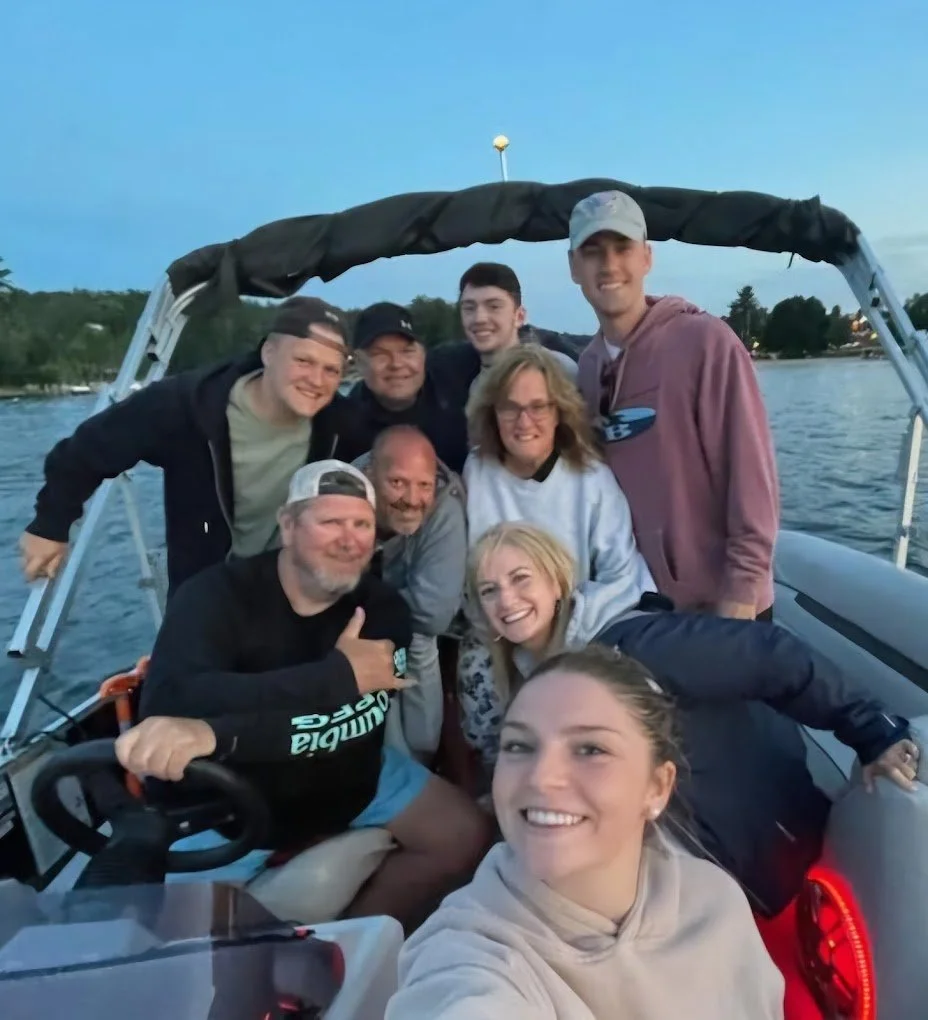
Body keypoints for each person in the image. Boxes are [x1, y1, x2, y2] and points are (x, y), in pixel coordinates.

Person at [467, 520, 919, 916]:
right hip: (679, 866)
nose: (508, 599)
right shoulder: (533, 683)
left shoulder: (637, 645)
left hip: (757, 853)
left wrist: (870, 728)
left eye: (521, 579)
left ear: (558, 581)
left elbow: (771, 656)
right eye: (490, 590)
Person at [116, 459, 492, 933]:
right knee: (195, 963)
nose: (348, 538)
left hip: (351, 777)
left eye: (360, 524)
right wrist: (333, 679)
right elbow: (170, 701)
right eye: (330, 521)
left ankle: (351, 943)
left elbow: (338, 719)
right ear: (289, 525)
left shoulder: (382, 611)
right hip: (226, 808)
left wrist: (215, 732)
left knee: (465, 835)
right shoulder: (213, 596)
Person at [385, 646, 786, 1020]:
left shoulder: (716, 902)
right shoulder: (468, 954)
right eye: (519, 746)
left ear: (657, 787)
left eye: (591, 749)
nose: (542, 778)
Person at [19, 296, 363, 596]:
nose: (316, 381)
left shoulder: (337, 422)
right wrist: (50, 525)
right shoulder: (188, 405)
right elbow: (88, 449)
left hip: (291, 590)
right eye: (303, 361)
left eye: (331, 370)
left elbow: (397, 446)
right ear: (269, 352)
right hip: (205, 591)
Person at [568, 190, 780, 619]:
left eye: (622, 247)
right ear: (574, 267)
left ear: (646, 257)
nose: (608, 265)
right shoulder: (587, 368)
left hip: (723, 608)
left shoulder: (706, 342)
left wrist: (739, 599)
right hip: (643, 610)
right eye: (592, 252)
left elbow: (754, 484)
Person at [457, 344, 655, 768]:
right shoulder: (477, 472)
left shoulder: (590, 478)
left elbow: (624, 576)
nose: (524, 421)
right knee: (480, 678)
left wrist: (567, 629)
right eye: (510, 408)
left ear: (559, 411)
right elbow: (473, 571)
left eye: (538, 407)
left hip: (575, 628)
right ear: (492, 413)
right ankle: (499, 781)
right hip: (501, 626)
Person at [354, 424, 467, 760]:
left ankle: (421, 762)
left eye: (424, 486)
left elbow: (433, 613)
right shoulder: (344, 495)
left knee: (418, 640)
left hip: (408, 626)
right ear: (370, 475)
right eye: (398, 483)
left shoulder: (445, 510)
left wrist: (369, 608)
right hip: (352, 630)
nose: (412, 500)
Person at [427, 262, 580, 411]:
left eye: (494, 307)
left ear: (519, 316)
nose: (479, 318)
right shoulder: (456, 379)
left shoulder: (558, 370)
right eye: (469, 308)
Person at [339, 301, 470, 473]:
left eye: (407, 351)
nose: (396, 364)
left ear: (423, 353)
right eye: (380, 354)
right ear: (358, 362)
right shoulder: (342, 424)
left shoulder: (455, 370)